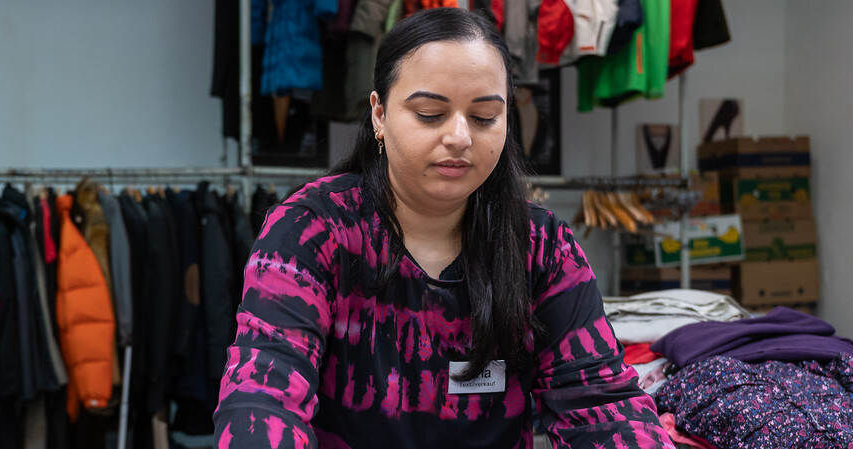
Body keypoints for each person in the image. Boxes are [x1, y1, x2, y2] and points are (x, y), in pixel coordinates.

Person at [214, 7, 673, 448]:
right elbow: (263, 394)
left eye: (484, 117)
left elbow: (600, 403)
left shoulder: (540, 245)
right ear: (379, 114)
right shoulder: (311, 230)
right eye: (430, 114)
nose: (459, 137)